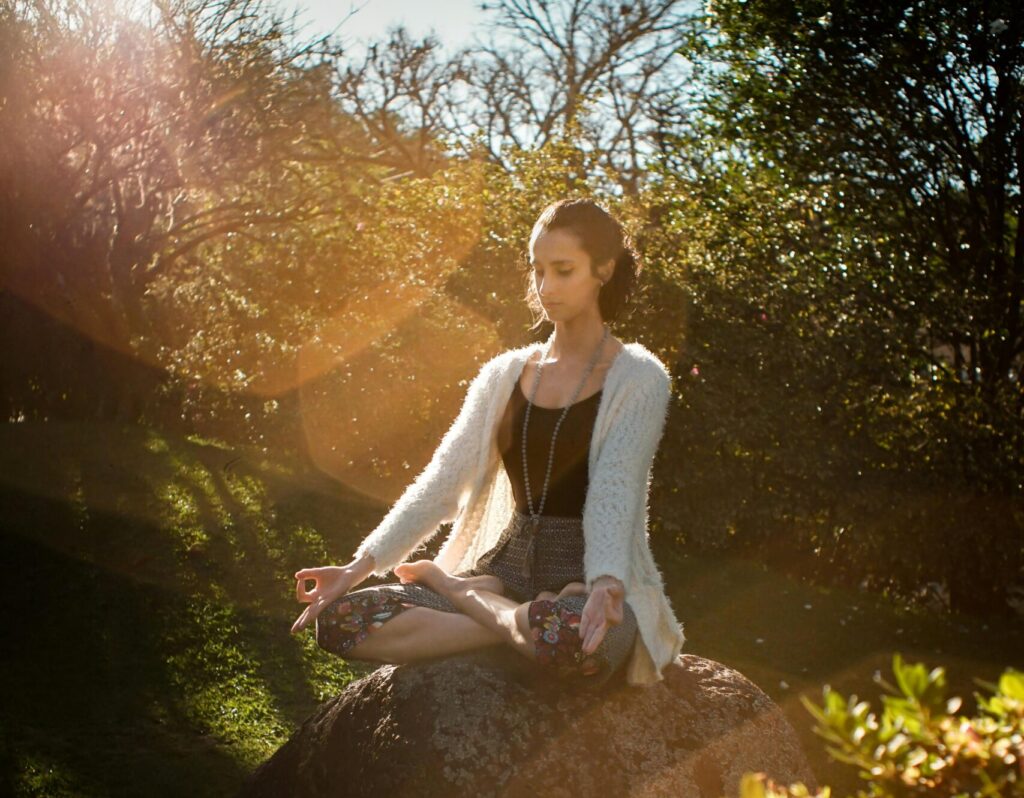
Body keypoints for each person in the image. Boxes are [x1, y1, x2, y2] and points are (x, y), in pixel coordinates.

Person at [291, 198, 686, 689]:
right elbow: (440, 482)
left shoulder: (640, 378)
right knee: (341, 620)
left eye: (563, 271)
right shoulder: (504, 375)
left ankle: (456, 591)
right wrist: (356, 568)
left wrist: (607, 581)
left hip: (586, 579)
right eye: (538, 270)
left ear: (604, 268)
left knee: (571, 643)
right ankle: (500, 614)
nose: (546, 288)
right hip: (504, 565)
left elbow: (615, 488)